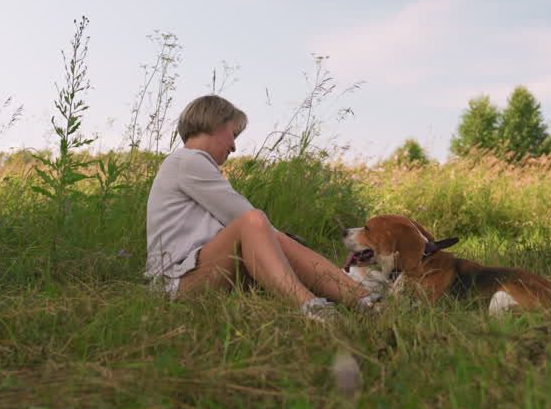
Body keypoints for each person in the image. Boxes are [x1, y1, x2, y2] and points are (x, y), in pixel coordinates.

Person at [145, 95, 380, 320]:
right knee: (255, 222)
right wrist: (278, 240)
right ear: (216, 124)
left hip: (195, 272)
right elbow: (244, 216)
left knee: (271, 234)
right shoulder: (188, 160)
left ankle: (367, 302)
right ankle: (314, 307)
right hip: (175, 285)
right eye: (233, 133)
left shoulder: (187, 163)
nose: (234, 146)